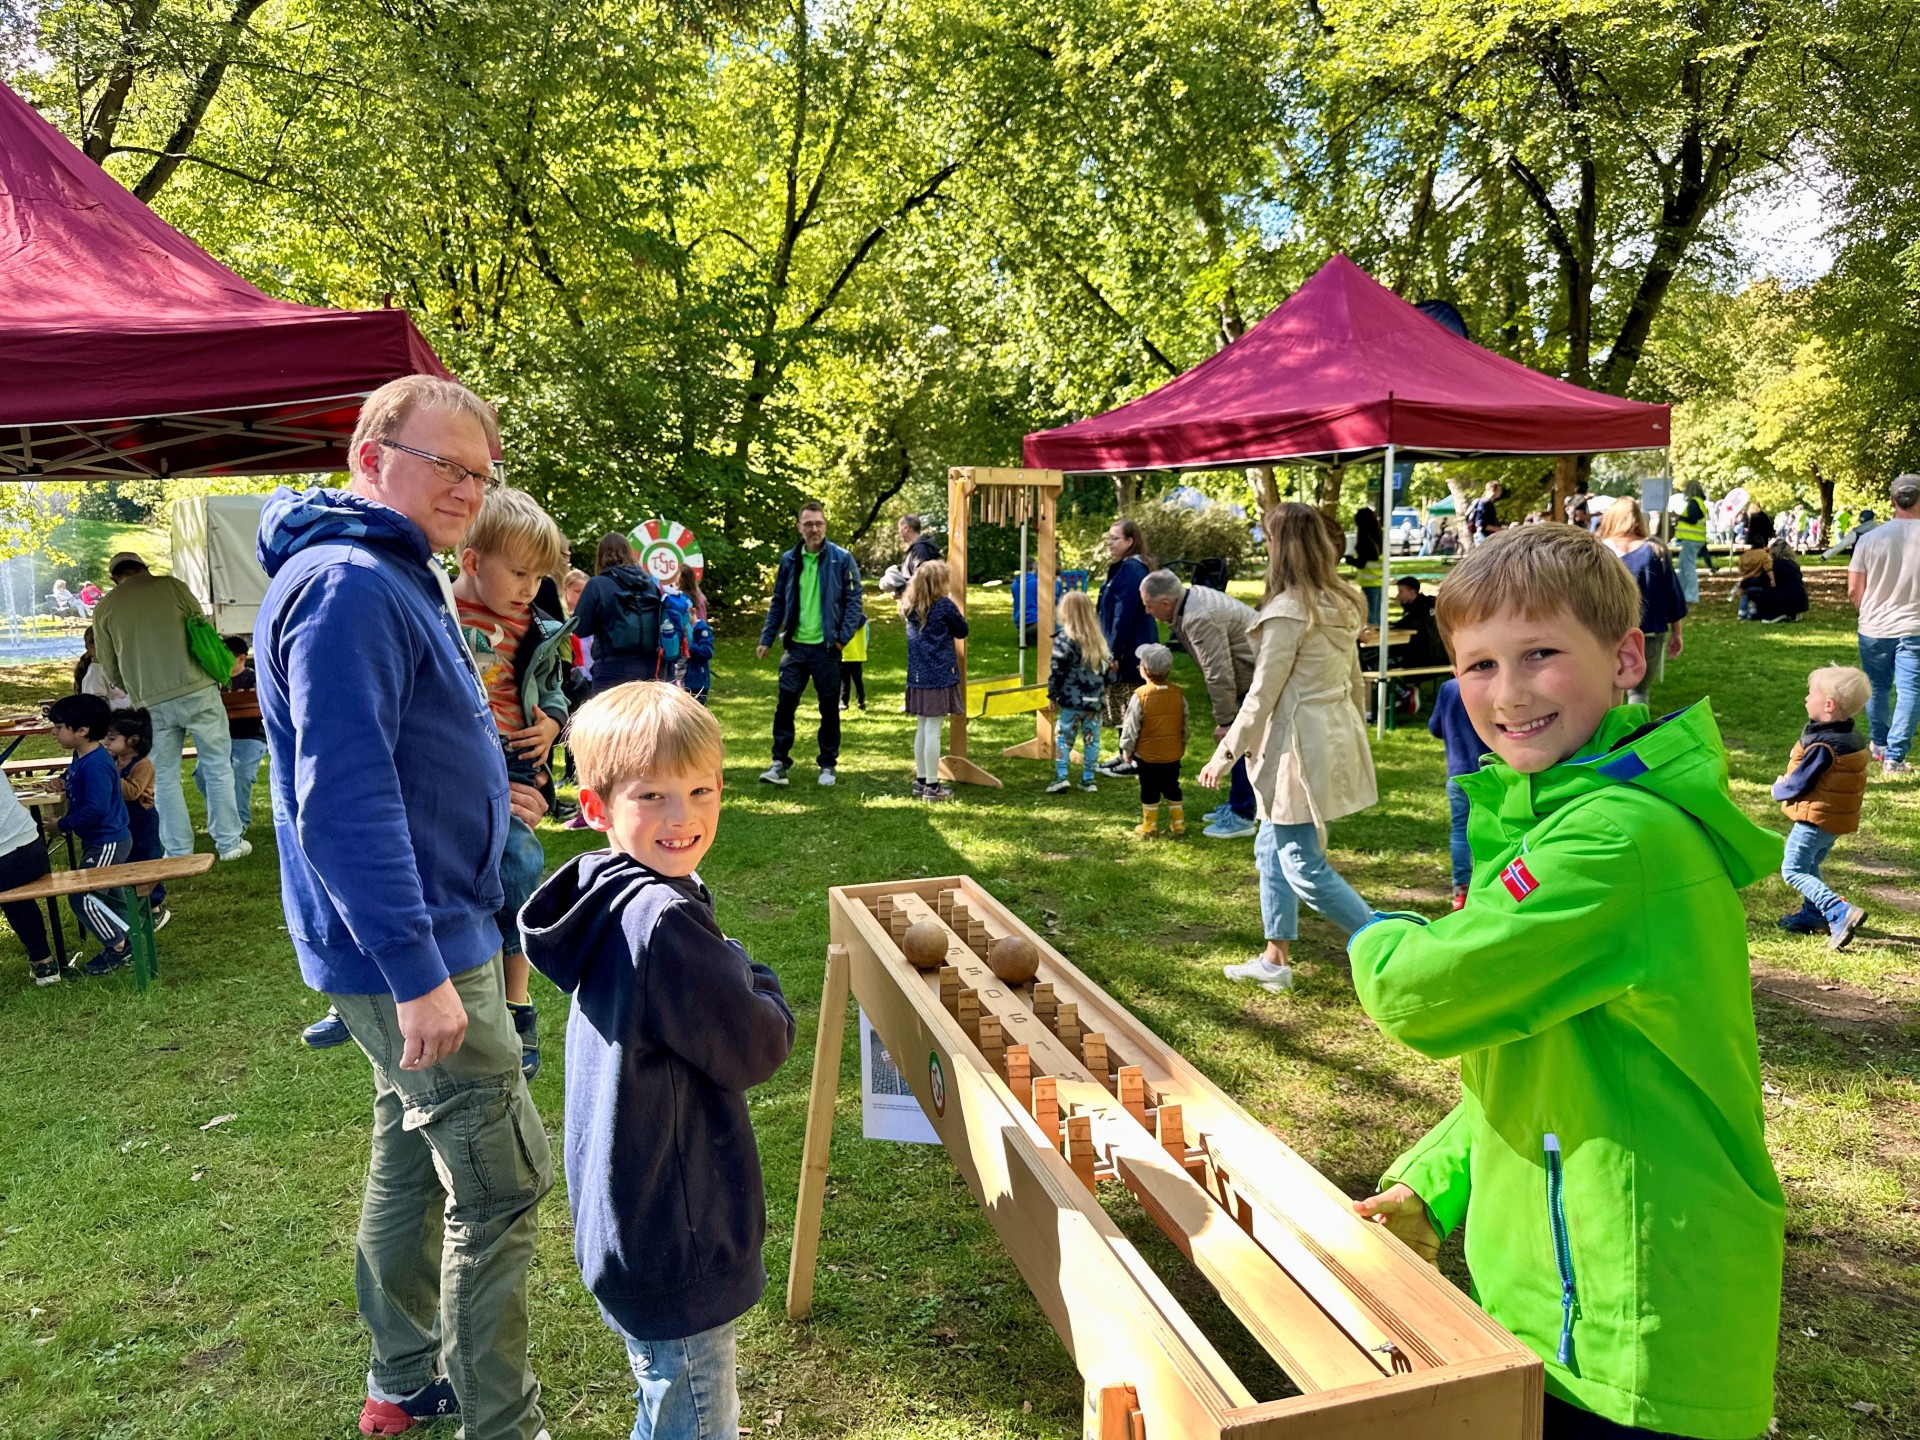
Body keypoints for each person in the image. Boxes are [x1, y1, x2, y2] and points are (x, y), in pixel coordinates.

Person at [1347, 523, 1785, 1440]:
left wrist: (1382, 931)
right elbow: (1543, 1056)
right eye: (1477, 666)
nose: (1507, 694)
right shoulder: (1563, 819)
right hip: (1568, 1294)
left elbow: (1421, 995)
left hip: (1631, 1321)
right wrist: (1440, 1182)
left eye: (1540, 655)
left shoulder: (1613, 840)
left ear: (1627, 656)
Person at [254, 374, 553, 1439]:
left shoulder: (388, 571)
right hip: (419, 950)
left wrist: (492, 786)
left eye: (481, 472)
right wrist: (418, 974)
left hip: (438, 927)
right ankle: (499, 1423)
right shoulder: (348, 584)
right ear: (370, 457)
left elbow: (404, 747)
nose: (469, 489)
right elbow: (341, 799)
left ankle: (401, 1381)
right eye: (446, 465)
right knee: (503, 1184)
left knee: (410, 1157)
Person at [520, 682, 794, 1440]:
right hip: (676, 1232)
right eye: (653, 796)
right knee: (695, 1411)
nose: (683, 817)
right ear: (598, 807)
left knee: (667, 1394)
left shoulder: (610, 893)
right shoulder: (663, 921)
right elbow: (755, 1042)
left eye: (700, 790)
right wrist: (751, 970)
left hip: (628, 1215)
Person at [1197, 502, 1377, 995]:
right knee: (1270, 849)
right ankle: (1275, 961)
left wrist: (1224, 754)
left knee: (1301, 861)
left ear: (1281, 548)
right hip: (1327, 734)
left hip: (1297, 746)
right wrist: (1357, 730)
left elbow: (1261, 695)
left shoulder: (1289, 612)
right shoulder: (1342, 601)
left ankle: (1386, 939)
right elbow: (1353, 679)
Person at [452, 487, 576, 1082]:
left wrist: (552, 721)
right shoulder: (438, 610)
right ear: (472, 562)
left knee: (520, 863)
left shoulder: (538, 626)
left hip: (515, 757)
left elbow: (553, 687)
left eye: (539, 575)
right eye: (520, 573)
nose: (531, 587)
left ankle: (516, 999)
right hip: (456, 757)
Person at [89, 553, 248, 863]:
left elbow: (109, 665)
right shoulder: (172, 586)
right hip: (197, 688)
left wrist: (134, 686)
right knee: (217, 766)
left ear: (114, 578)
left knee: (164, 776)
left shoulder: (105, 607)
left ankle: (177, 850)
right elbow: (201, 626)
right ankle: (229, 843)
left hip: (150, 700)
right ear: (145, 568)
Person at [1139, 567, 1258, 838]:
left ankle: (1242, 816)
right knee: (1242, 743)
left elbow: (1219, 672)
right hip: (1250, 677)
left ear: (1166, 604)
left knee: (1240, 743)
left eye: (1149, 606)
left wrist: (1226, 721)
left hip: (1255, 680)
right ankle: (1238, 804)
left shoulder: (1198, 617)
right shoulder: (1189, 603)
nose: (1148, 612)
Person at [756, 501, 863, 788]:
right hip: (795, 647)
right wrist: (767, 637)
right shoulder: (789, 560)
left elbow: (855, 602)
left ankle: (827, 764)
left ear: (825, 525)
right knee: (785, 704)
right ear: (799, 527)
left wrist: (842, 639)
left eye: (819, 523)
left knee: (829, 707)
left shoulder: (842, 559)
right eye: (808, 524)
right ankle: (779, 764)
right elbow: (779, 601)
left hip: (828, 648)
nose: (814, 529)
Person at [1773, 666, 1872, 946]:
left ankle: (1839, 911)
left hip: (1815, 819)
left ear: (1828, 705)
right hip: (1833, 820)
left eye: (1811, 693)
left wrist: (1779, 788)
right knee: (1811, 863)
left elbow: (1799, 783)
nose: (1806, 698)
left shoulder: (1823, 745)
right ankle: (1813, 915)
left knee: (1793, 869)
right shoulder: (1849, 737)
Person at [47, 693, 133, 977]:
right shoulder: (82, 756)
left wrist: (62, 824)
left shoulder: (95, 763)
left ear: (82, 730)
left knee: (82, 896)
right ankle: (128, 940)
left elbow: (96, 808)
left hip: (107, 839)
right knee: (109, 896)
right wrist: (63, 779)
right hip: (101, 839)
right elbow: (78, 777)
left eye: (59, 727)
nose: (54, 732)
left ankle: (118, 947)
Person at [1850, 474, 1920, 773]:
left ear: (1892, 501)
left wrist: (1865, 611)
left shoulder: (1869, 539)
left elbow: (1854, 589)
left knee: (1877, 687)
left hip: (1874, 626)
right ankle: (1894, 755)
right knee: (1911, 690)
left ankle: (1879, 743)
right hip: (1915, 626)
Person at [1597, 501, 1685, 707]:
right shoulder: (1655, 551)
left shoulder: (1598, 550)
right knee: (1639, 694)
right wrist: (1677, 632)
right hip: (1648, 635)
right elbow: (1672, 595)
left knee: (1605, 696)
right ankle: (1637, 738)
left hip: (1604, 634)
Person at [900, 560, 968, 802]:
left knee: (922, 727)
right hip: (939, 675)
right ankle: (932, 785)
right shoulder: (944, 607)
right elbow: (962, 630)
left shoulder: (908, 607)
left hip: (917, 675)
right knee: (933, 731)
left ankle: (921, 779)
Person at [574, 534, 675, 694]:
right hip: (652, 669)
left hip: (611, 670)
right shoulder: (652, 584)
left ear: (600, 555)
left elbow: (580, 628)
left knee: (609, 718)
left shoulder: (597, 584)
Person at [1095, 519, 1157, 776]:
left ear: (1130, 541)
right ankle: (1125, 753)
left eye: (1115, 538)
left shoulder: (1132, 570)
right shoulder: (1123, 568)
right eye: (1108, 538)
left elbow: (1123, 614)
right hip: (1120, 646)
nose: (1109, 543)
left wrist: (1115, 652)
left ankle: (1136, 759)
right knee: (1121, 702)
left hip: (1131, 648)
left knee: (1131, 702)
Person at [190, 635, 268, 833]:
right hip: (219, 737)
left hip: (250, 736)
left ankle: (240, 821)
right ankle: (222, 815)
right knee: (201, 773)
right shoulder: (213, 679)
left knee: (240, 772)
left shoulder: (253, 678)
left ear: (241, 658)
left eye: (226, 655)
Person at [103, 708, 169, 932]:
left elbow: (132, 792)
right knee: (128, 859)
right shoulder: (114, 760)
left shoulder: (143, 765)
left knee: (147, 858)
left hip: (142, 819)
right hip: (123, 820)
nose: (106, 742)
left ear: (133, 741)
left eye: (111, 738)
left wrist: (109, 774)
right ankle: (134, 903)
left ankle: (155, 907)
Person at [1427, 677, 1490, 912]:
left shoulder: (1448, 688)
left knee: (1460, 831)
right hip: (1491, 772)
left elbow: (1435, 727)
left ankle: (1461, 890)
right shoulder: (1490, 683)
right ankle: (1493, 884)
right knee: (1497, 829)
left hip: (1458, 772)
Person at [1119, 643, 1189, 837]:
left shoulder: (1140, 695)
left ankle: (1149, 825)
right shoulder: (1178, 694)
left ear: (1144, 670)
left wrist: (1127, 749)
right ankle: (1178, 823)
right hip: (1172, 753)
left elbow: (1131, 726)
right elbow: (1185, 723)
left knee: (1149, 788)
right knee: (1172, 785)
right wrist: (1181, 745)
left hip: (1147, 754)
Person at [1045, 590, 1109, 794]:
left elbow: (1057, 670)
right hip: (1094, 701)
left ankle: (1062, 776)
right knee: (1092, 738)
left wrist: (1052, 694)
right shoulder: (1098, 639)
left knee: (1064, 737)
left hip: (1071, 699)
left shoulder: (1064, 639)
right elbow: (1107, 671)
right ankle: (1088, 779)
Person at [0, 777, 56, 985]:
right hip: (32, 848)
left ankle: (43, 960)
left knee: (10, 886)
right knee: (13, 892)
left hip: (6, 859)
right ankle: (43, 961)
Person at [1671, 480, 1714, 603]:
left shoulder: (1694, 503)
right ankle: (1683, 593)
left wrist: (1679, 517)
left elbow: (1692, 520)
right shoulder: (1700, 503)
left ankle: (1691, 595)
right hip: (1695, 540)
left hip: (1691, 539)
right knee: (1684, 567)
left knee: (1688, 568)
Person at [880, 513, 942, 594]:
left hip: (923, 604)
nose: (899, 531)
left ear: (906, 528)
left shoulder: (921, 549)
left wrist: (900, 592)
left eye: (899, 528)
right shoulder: (916, 548)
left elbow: (922, 580)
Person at [1392, 576, 1446, 669]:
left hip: (1424, 655)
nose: (1397, 596)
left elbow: (1406, 624)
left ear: (1412, 592)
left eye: (1400, 591)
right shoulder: (1418, 606)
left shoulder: (1421, 609)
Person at [1755, 537, 1809, 623]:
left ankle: (1779, 612)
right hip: (1800, 600)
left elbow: (1761, 581)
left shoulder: (1773, 564)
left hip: (1783, 599)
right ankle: (1792, 613)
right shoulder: (1793, 564)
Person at [73, 625, 129, 708]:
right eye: (110, 643)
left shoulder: (115, 668)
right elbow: (97, 708)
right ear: (92, 647)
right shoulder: (94, 675)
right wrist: (130, 702)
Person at [1351, 506, 1384, 624]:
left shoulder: (1365, 539)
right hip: (1379, 580)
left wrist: (1349, 560)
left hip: (1369, 581)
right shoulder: (1379, 535)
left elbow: (1362, 563)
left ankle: (1373, 641)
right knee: (1377, 615)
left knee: (1371, 618)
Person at [839, 617, 869, 712]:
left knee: (845, 681)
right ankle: (861, 701)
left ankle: (844, 703)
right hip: (858, 655)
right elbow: (867, 636)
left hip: (845, 654)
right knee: (858, 680)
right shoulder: (863, 621)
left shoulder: (843, 620)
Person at [1467, 482, 1501, 546]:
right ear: (1492, 489)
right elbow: (1480, 523)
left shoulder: (1489, 503)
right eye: (1499, 490)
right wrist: (1499, 529)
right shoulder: (1484, 503)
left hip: (1488, 537)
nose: (1500, 492)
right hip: (1483, 537)